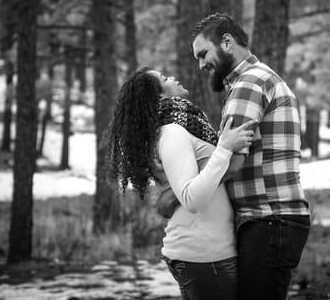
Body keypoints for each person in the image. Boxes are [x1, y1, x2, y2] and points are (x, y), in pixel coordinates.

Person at [107, 67, 255, 300]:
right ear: (158, 97)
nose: (173, 77)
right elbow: (191, 198)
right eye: (165, 79)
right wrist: (225, 148)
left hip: (206, 252)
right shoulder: (172, 133)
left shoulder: (183, 126)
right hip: (204, 254)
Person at [191, 13, 311, 300]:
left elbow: (233, 162)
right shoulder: (262, 78)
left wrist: (186, 193)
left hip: (268, 219)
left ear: (227, 43)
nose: (201, 65)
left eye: (203, 54)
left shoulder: (248, 83)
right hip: (275, 220)